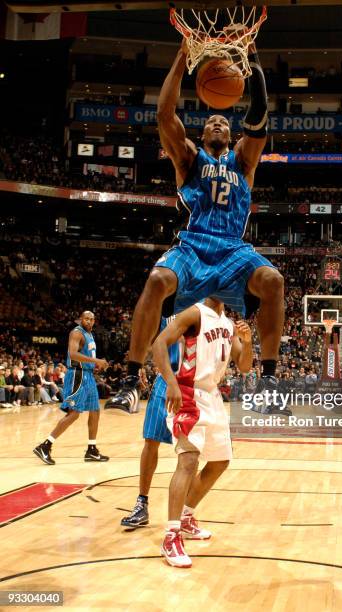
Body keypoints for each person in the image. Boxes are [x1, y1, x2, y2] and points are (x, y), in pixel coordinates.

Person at [106, 37, 283, 413]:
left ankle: (268, 380)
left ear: (232, 134)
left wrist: (252, 58)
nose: (218, 122)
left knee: (273, 281)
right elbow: (164, 116)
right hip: (195, 246)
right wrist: (182, 56)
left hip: (234, 249)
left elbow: (260, 112)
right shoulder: (189, 158)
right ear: (201, 135)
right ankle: (128, 379)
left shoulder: (244, 162)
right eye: (211, 121)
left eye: (224, 120)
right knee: (156, 281)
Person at [120, 298, 253, 569]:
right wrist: (171, 382)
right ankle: (171, 536)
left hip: (213, 396)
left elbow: (245, 366)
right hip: (188, 393)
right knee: (188, 460)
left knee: (220, 462)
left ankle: (186, 516)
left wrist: (247, 341)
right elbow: (159, 343)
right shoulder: (194, 313)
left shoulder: (228, 323)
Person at [33, 311, 109, 465]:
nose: (89, 321)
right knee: (74, 413)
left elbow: (85, 356)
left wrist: (94, 366)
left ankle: (91, 449)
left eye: (91, 319)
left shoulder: (90, 335)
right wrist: (96, 360)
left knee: (95, 411)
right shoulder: (76, 333)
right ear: (81, 320)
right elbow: (73, 354)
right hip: (77, 375)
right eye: (86, 319)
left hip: (88, 375)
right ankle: (45, 446)